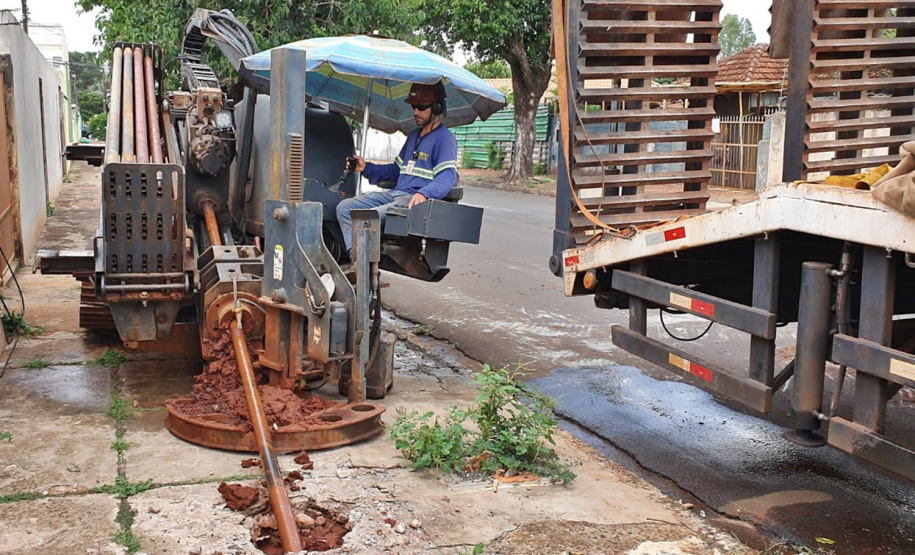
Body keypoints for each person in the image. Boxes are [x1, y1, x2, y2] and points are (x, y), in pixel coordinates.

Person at [336, 81, 458, 259]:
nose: (415, 112)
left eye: (421, 107)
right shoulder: (414, 136)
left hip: (414, 201)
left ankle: (364, 265)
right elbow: (396, 170)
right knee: (344, 208)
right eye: (413, 107)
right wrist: (366, 167)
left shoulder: (445, 140)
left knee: (369, 218)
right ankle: (356, 259)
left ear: (438, 107)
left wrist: (424, 193)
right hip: (394, 195)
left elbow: (447, 177)